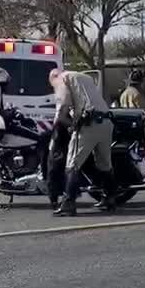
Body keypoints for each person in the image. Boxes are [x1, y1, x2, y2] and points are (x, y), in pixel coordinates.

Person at [48, 68, 119, 217]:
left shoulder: (62, 79)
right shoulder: (84, 77)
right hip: (106, 122)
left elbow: (62, 112)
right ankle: (110, 198)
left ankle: (68, 203)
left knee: (72, 163)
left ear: (54, 77)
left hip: (89, 123)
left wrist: (69, 126)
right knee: (105, 164)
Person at [117, 70, 145, 165]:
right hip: (139, 125)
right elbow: (144, 111)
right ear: (141, 82)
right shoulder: (137, 94)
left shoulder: (124, 93)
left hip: (126, 125)